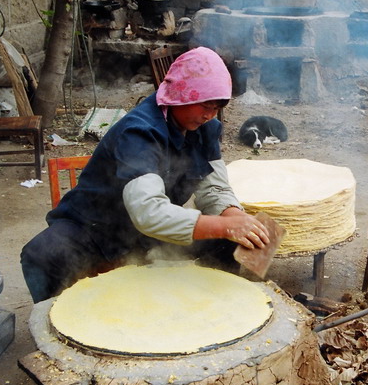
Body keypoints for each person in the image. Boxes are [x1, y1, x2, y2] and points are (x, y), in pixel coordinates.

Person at [21, 47, 270, 303]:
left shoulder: (206, 128)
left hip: (144, 234)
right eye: (206, 105)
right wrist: (224, 225)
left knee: (228, 239)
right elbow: (149, 212)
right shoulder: (139, 133)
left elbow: (214, 188)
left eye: (217, 107)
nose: (210, 115)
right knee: (41, 255)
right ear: (180, 94)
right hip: (95, 228)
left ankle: (213, 307)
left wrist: (234, 217)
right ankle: (66, 331)